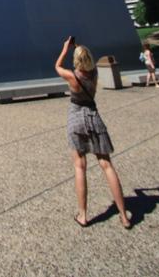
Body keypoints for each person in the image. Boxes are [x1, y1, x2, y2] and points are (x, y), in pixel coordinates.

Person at [55, 37, 131, 229]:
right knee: (106, 165)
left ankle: (83, 215)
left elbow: (57, 65)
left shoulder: (73, 77)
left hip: (76, 118)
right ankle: (124, 215)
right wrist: (79, 46)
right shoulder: (94, 72)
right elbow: (86, 58)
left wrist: (65, 48)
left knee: (80, 167)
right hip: (94, 117)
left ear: (76, 59)